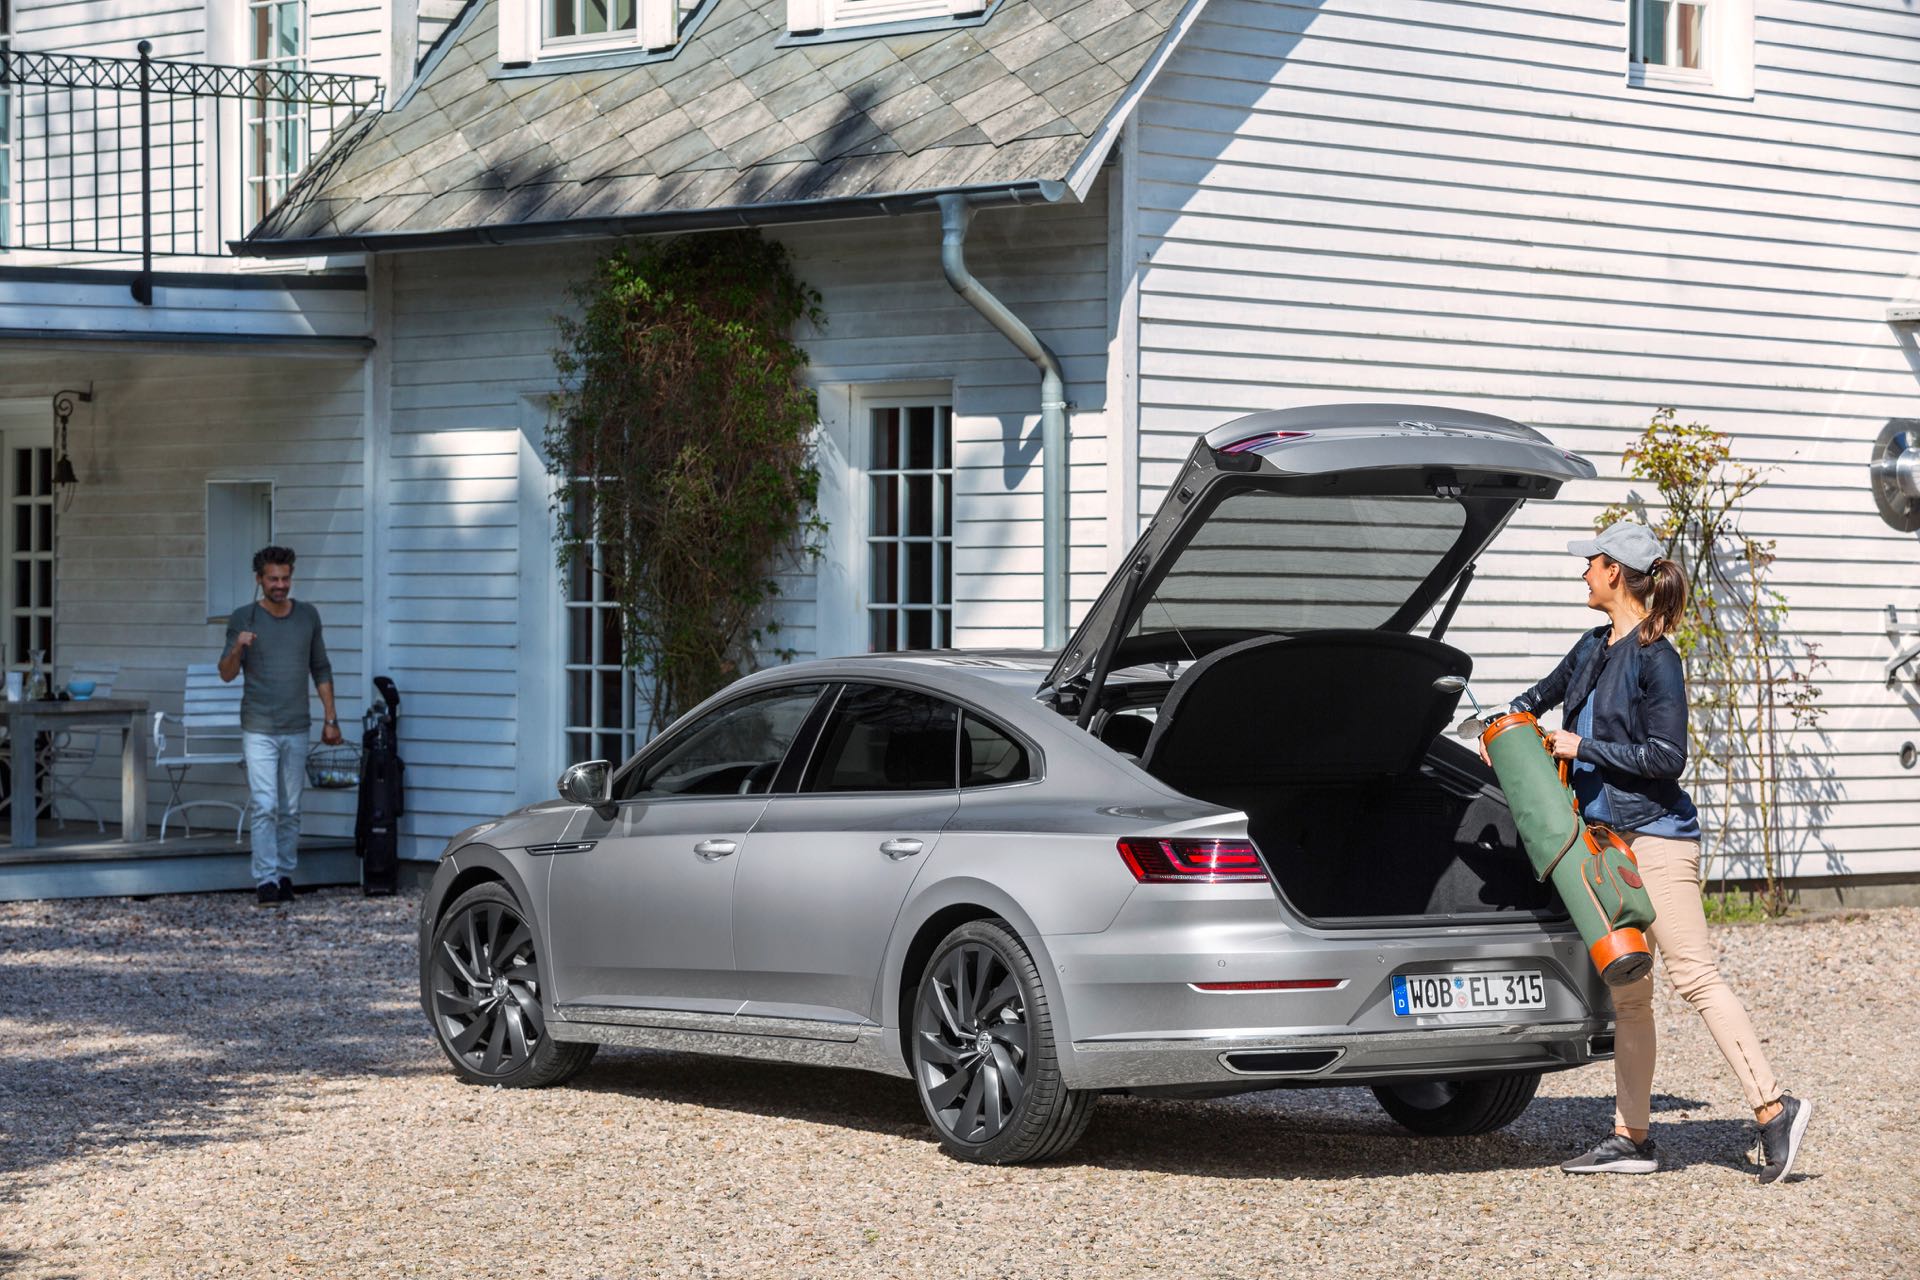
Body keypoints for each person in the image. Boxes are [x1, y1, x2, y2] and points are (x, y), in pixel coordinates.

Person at [1501, 520, 1812, 1183]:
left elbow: (1667, 757)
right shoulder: (1591, 648)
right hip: (1605, 846)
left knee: (1694, 976)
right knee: (1630, 997)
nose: (1583, 572)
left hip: (1657, 839)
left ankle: (1773, 1107)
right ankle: (1632, 1138)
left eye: (1590, 562)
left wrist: (1583, 747)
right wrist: (1500, 728)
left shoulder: (1656, 657)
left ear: (1615, 571)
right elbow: (1533, 701)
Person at [218, 546, 343, 907]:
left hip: (297, 725)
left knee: (291, 808)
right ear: (259, 579)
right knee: (265, 804)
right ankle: (266, 880)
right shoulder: (243, 618)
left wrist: (331, 719)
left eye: (285, 578)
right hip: (258, 727)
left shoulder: (307, 616)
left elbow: (320, 668)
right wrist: (238, 647)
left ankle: (285, 874)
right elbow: (226, 674)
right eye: (273, 579)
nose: (280, 585)